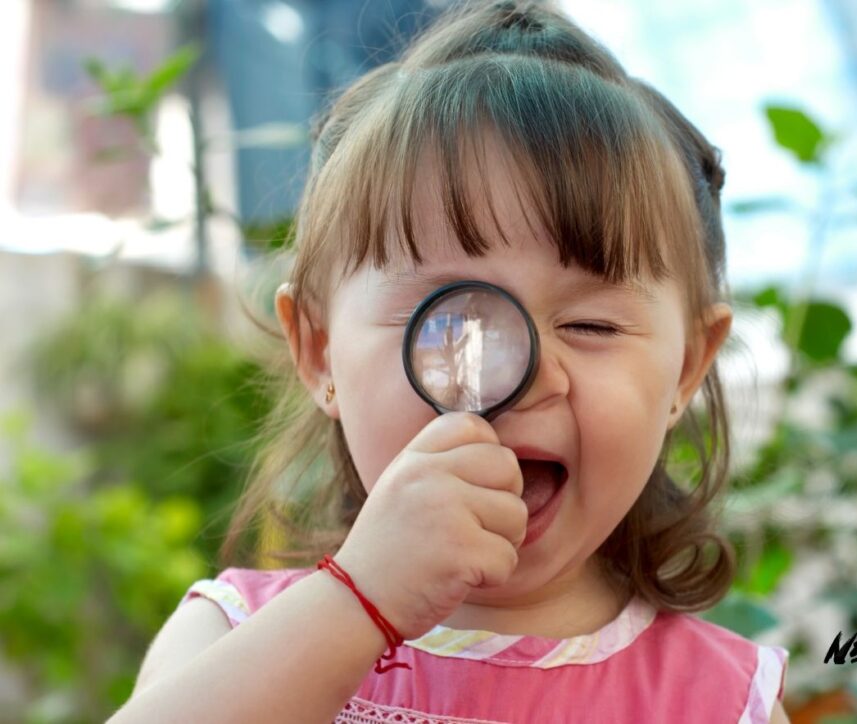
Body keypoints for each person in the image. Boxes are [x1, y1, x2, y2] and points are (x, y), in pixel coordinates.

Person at [108, 2, 791, 722]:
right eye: (453, 320)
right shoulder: (229, 639)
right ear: (320, 349)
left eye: (589, 324)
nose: (521, 377)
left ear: (685, 369)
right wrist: (357, 602)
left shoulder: (722, 703)